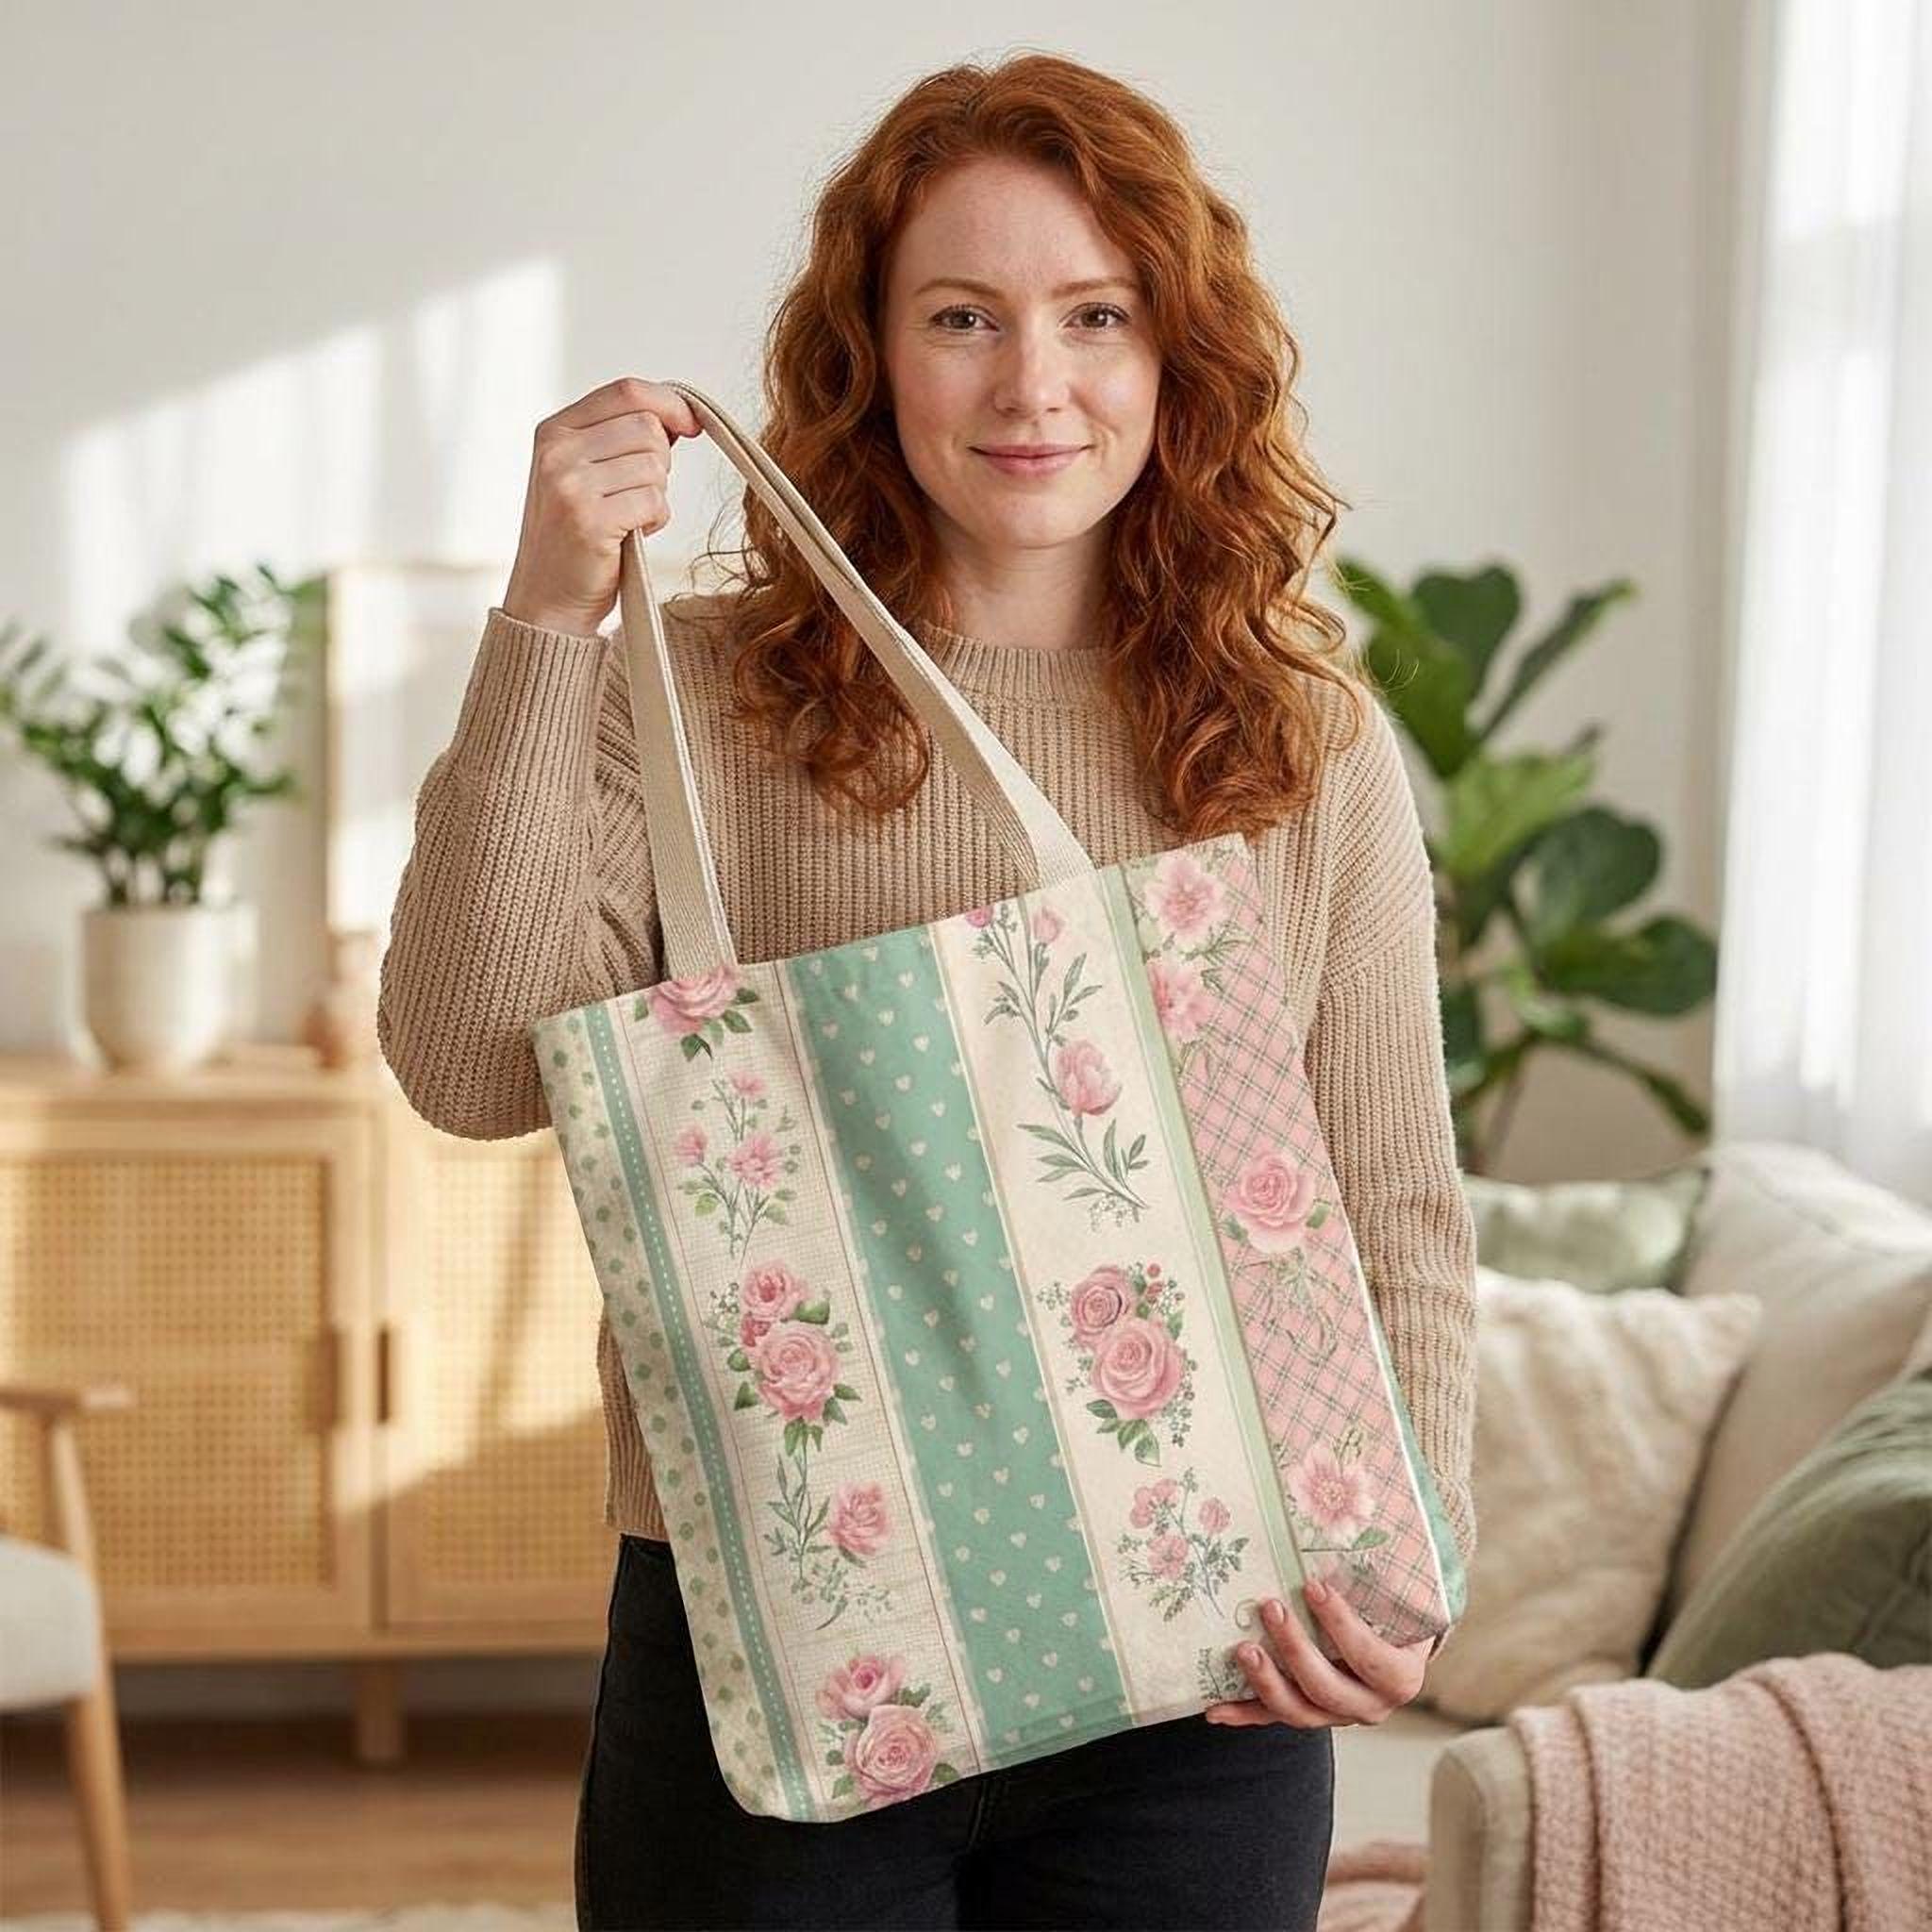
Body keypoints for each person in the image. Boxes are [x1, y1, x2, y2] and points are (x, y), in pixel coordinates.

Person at [377, 49, 1478, 1932]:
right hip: (779, 1652)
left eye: (1094, 315)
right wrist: (548, 616)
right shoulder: (703, 699)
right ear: (871, 353)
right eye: (961, 316)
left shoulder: (1303, 743)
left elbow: (1393, 1204)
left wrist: (1404, 1563)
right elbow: (470, 1061)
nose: (1031, 383)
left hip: (1207, 1661)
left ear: (1172, 355)